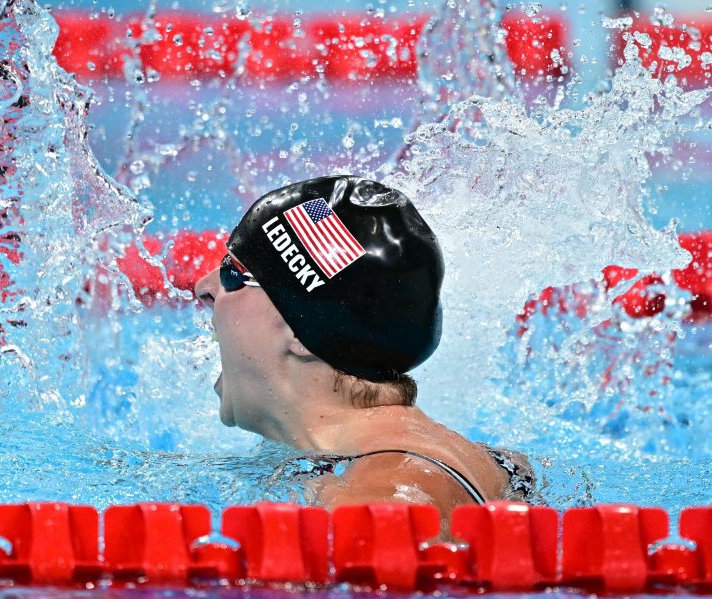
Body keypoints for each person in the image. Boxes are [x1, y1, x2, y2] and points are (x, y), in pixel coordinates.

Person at [194, 175, 533, 522]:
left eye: (231, 273)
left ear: (300, 327)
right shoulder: (495, 467)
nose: (203, 287)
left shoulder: (381, 500)